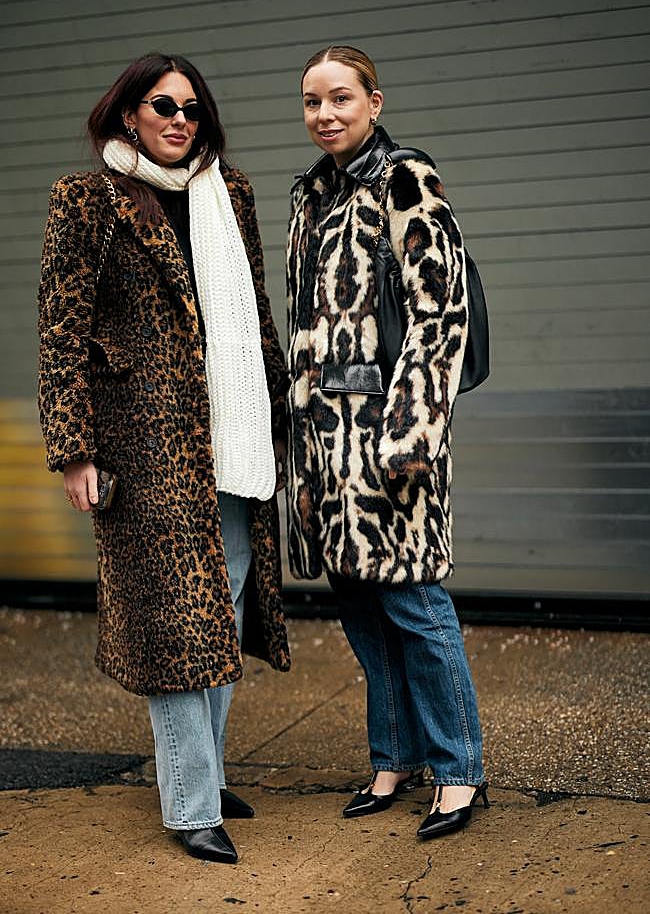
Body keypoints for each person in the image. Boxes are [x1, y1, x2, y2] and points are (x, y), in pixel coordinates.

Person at [38, 53, 291, 863]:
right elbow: (60, 334)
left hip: (233, 435)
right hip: (141, 447)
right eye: (161, 105)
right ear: (128, 116)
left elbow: (253, 314)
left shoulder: (231, 195)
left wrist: (282, 416)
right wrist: (73, 450)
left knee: (222, 605)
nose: (179, 118)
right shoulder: (86, 201)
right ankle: (190, 805)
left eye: (191, 107)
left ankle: (205, 775)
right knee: (175, 622)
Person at [285, 45, 487, 840]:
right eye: (311, 101)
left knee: (417, 607)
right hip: (324, 446)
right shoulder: (309, 197)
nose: (325, 114)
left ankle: (461, 769)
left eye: (340, 98)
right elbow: (305, 329)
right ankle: (393, 758)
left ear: (374, 100)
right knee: (364, 611)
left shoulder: (407, 178)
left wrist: (409, 436)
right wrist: (298, 446)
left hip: (389, 439)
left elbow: (442, 314)